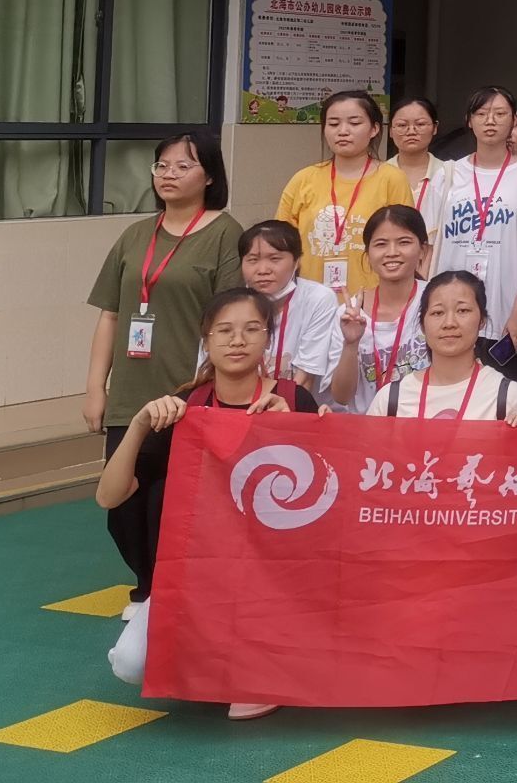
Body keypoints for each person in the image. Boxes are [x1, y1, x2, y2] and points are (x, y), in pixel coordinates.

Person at [97, 287, 319, 717]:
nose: (238, 340)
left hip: (278, 579)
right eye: (225, 330)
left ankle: (267, 667)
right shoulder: (186, 408)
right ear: (207, 340)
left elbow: (329, 500)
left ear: (267, 337)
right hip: (199, 578)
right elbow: (109, 496)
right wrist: (139, 425)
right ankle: (230, 663)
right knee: (130, 663)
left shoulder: (294, 400)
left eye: (251, 329)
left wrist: (293, 430)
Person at [84, 131, 241, 610]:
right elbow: (110, 315)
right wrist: (95, 388)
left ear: (209, 176)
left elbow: (231, 319)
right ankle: (149, 588)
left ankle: (160, 598)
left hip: (189, 395)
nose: (169, 174)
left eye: (183, 166)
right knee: (122, 507)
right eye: (161, 166)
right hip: (131, 394)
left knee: (169, 505)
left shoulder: (225, 233)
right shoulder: (136, 234)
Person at [429, 86, 517, 357]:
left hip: (505, 316)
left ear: (514, 121)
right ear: (469, 121)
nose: (490, 120)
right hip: (449, 313)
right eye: (481, 113)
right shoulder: (448, 174)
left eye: (500, 114)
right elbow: (428, 248)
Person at [275, 89, 414, 301]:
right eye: (333, 124)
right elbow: (280, 244)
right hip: (311, 304)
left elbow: (406, 243)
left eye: (354, 123)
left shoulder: (392, 179)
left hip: (372, 303)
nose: (343, 131)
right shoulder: (303, 179)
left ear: (374, 129)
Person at [377, 271, 517, 422]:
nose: (449, 323)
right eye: (438, 312)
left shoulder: (509, 398)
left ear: (482, 321)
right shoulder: (391, 399)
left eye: (462, 310)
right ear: (423, 325)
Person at [332, 204, 431, 413]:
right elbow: (341, 396)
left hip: (424, 424)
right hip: (366, 428)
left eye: (404, 242)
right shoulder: (349, 314)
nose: (392, 253)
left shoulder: (437, 302)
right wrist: (351, 344)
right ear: (367, 254)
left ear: (423, 250)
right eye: (381, 244)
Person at [233, 220, 343, 397]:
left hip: (297, 404)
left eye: (274, 259)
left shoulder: (318, 299)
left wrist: (276, 406)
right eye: (252, 260)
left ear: (296, 261)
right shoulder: (229, 306)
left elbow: (306, 377)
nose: (263, 270)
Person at [387, 96, 451, 241]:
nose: (411, 131)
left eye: (420, 124)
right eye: (402, 125)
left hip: (438, 251)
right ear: (390, 131)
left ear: (435, 128)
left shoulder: (450, 174)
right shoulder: (378, 174)